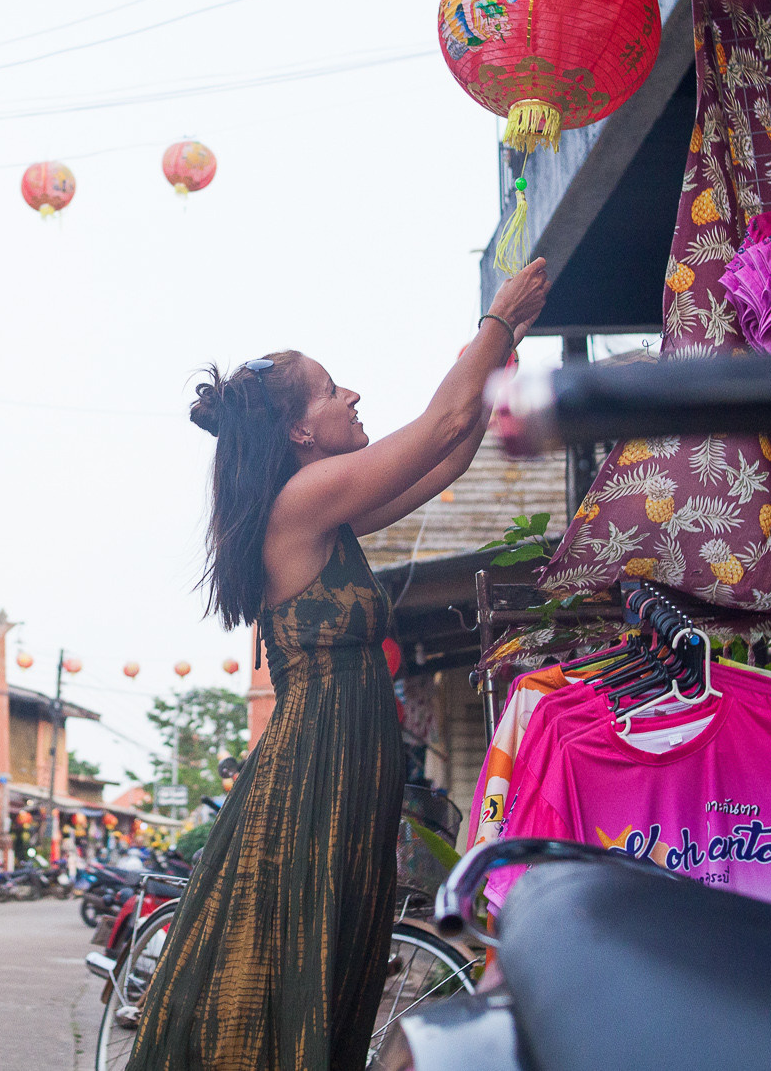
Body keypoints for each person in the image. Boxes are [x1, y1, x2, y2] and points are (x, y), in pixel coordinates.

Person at [124, 258, 550, 1071]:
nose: (351, 394)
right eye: (330, 390)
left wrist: (498, 354)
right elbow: (438, 425)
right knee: (302, 961)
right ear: (298, 432)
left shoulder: (323, 508)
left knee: (332, 954)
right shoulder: (303, 500)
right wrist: (495, 322)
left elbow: (449, 456)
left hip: (343, 764)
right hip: (314, 769)